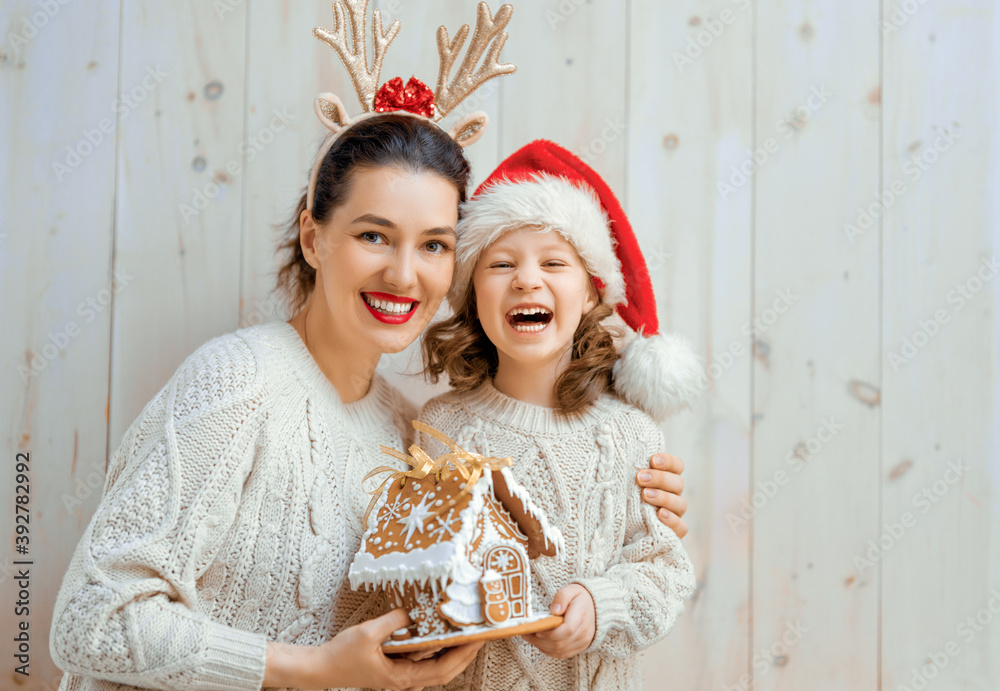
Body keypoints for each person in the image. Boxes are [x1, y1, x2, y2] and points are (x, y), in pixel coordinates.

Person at [48, 5, 691, 690]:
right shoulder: (238, 382)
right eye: (373, 235)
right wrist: (311, 669)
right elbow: (90, 620)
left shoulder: (405, 433)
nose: (403, 273)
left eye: (434, 244)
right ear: (312, 237)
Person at [418, 139, 703, 690]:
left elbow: (664, 572)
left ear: (592, 292)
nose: (527, 279)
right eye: (501, 264)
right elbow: (418, 571)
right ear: (472, 295)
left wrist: (603, 605)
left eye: (553, 262)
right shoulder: (441, 429)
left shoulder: (628, 435)